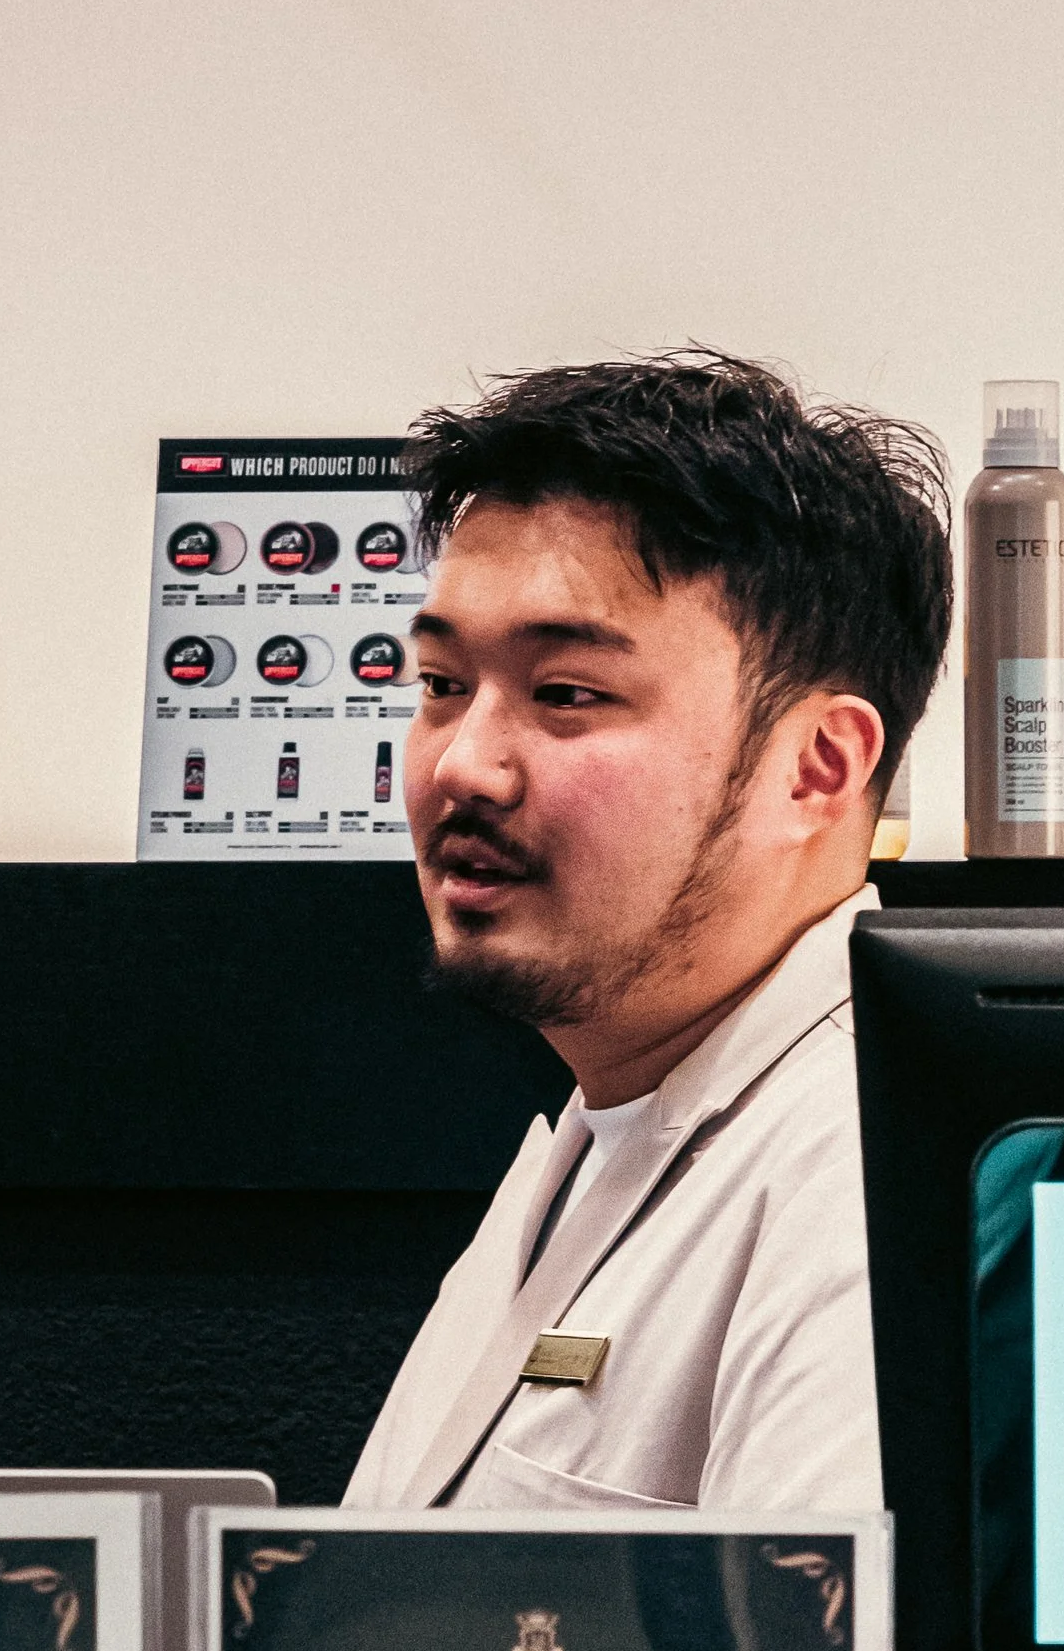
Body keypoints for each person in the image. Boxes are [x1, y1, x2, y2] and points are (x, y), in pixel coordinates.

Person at [344, 351, 951, 1515]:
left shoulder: (873, 1190)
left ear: (816, 768)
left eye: (565, 694)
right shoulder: (611, 1111)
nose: (463, 764)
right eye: (437, 684)